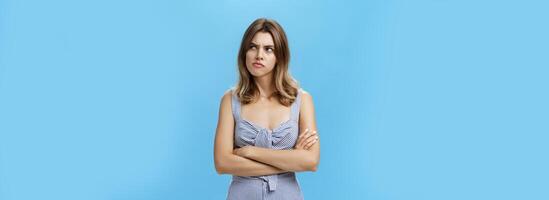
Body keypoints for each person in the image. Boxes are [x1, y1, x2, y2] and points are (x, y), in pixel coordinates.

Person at [214, 18, 320, 200]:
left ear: (280, 56)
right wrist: (291, 159)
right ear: (244, 53)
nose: (259, 55)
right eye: (252, 47)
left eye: (268, 49)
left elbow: (310, 161)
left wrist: (250, 152)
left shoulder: (302, 100)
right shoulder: (230, 100)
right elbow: (222, 163)